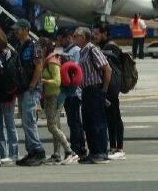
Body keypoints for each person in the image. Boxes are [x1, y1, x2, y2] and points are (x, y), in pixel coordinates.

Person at [12, 19, 47, 165]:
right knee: (25, 121)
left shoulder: (34, 46)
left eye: (18, 29)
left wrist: (33, 84)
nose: (15, 31)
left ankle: (38, 151)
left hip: (31, 88)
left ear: (26, 29)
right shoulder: (18, 46)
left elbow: (39, 66)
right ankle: (31, 151)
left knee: (29, 120)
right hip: (22, 87)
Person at [74, 27, 110, 164]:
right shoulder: (82, 52)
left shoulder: (92, 49)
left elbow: (107, 69)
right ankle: (93, 151)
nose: (73, 38)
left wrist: (103, 90)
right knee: (88, 123)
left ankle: (101, 152)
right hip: (86, 91)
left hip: (95, 90)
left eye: (76, 35)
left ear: (83, 37)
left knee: (97, 122)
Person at [94, 22, 125, 159]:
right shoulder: (105, 46)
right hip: (111, 86)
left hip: (112, 87)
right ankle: (113, 147)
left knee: (115, 117)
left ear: (105, 34)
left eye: (97, 34)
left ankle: (119, 148)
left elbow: (110, 66)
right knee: (110, 117)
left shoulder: (110, 46)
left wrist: (98, 51)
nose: (94, 36)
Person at [39, 37, 72, 164]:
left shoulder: (52, 61)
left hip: (55, 96)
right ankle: (56, 154)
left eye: (39, 47)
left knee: (52, 126)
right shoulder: (46, 60)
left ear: (44, 48)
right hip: (49, 96)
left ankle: (69, 151)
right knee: (56, 125)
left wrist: (43, 81)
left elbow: (57, 81)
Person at [56, 28, 87, 160]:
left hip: (74, 92)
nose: (59, 42)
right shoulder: (66, 51)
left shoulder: (76, 51)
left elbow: (76, 69)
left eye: (61, 40)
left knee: (74, 121)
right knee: (73, 121)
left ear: (68, 37)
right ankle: (80, 148)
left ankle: (77, 148)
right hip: (68, 91)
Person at [0, 29, 19, 162]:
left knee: (9, 123)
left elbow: (11, 73)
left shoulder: (9, 54)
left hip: (8, 93)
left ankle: (13, 153)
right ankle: (2, 153)